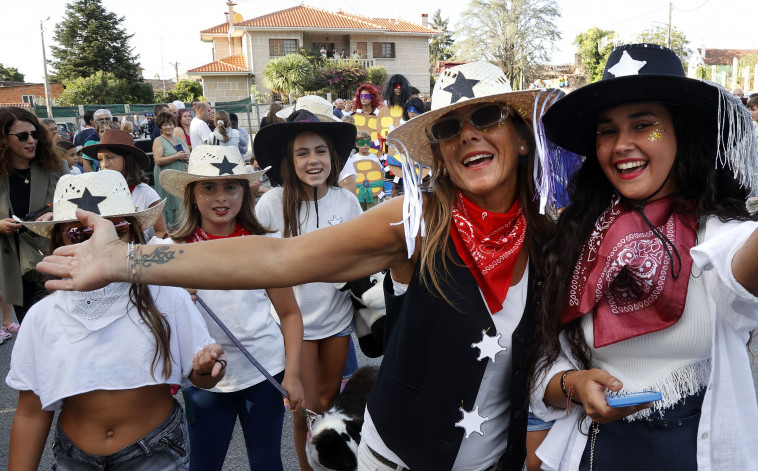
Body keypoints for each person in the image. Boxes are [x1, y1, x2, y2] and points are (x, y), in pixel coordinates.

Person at [37, 60, 564, 471]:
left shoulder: (554, 233)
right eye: (451, 127)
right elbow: (277, 256)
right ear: (440, 153)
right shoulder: (417, 220)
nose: (468, 134)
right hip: (399, 459)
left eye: (487, 117)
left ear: (521, 135)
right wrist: (126, 258)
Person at [526, 43, 758, 470]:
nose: (622, 144)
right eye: (607, 130)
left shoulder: (712, 230)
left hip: (686, 452)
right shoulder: (576, 236)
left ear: (682, 132)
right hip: (592, 451)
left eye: (644, 125)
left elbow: (746, 270)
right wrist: (572, 383)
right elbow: (543, 362)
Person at [7, 170, 225, 471]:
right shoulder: (43, 316)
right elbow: (31, 412)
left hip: (157, 452)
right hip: (75, 458)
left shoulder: (167, 296)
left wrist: (209, 368)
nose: (98, 244)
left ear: (134, 234)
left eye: (116, 229)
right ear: (59, 241)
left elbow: (202, 376)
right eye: (79, 234)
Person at [159, 145, 304, 470]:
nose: (220, 197)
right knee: (202, 463)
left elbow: (290, 313)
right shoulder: (173, 253)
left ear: (245, 192)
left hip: (265, 371)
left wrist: (293, 375)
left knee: (267, 460)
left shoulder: (264, 246)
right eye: (208, 187)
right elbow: (156, 323)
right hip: (204, 378)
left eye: (231, 187)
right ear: (192, 194)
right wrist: (180, 299)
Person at [251, 110, 362, 471]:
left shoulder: (347, 202)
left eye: (321, 151)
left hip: (338, 319)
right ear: (289, 159)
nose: (313, 160)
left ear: (333, 156)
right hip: (292, 325)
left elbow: (363, 256)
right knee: (306, 411)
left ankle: (327, 464)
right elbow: (262, 265)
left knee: (328, 402)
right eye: (302, 153)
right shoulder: (271, 203)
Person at [0, 107, 69, 322]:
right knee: (33, 327)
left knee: (64, 326)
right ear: (3, 139)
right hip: (15, 266)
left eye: (35, 134)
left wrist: (54, 214)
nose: (31, 141)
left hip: (53, 258)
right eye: (22, 136)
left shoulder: (56, 165)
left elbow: (76, 205)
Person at [82, 129, 167, 240]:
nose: (104, 164)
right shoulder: (92, 192)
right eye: (100, 159)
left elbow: (161, 231)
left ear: (127, 160)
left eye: (110, 157)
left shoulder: (145, 192)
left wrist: (144, 251)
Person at [152, 111, 190, 230]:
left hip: (181, 176)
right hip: (166, 177)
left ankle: (185, 228)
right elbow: (158, 160)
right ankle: (171, 230)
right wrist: (176, 157)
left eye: (170, 124)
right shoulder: (159, 140)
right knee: (171, 204)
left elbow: (187, 153)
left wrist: (186, 158)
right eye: (165, 125)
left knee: (183, 202)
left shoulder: (179, 139)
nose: (168, 127)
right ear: (160, 127)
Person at [339, 130, 383, 210]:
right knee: (359, 211)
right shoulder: (353, 159)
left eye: (368, 142)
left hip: (373, 192)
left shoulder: (374, 158)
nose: (365, 145)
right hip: (358, 192)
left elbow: (380, 173)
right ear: (357, 144)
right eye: (362, 143)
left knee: (373, 211)